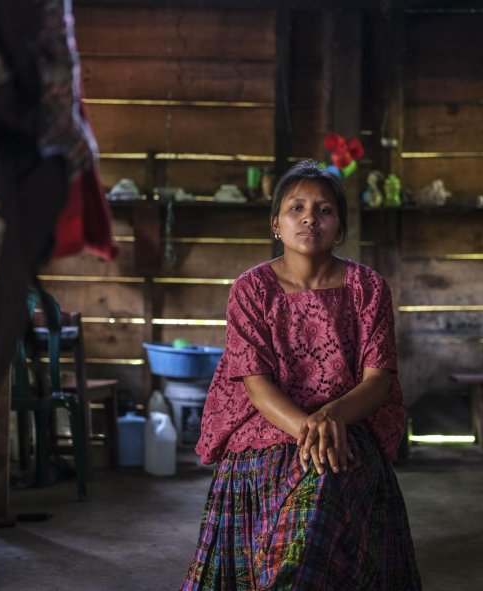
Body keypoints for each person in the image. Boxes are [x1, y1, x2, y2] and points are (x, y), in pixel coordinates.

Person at [180, 160, 421, 590]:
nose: (311, 217)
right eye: (297, 208)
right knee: (311, 474)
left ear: (340, 227)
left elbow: (378, 379)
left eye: (325, 210)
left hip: (349, 421)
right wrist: (311, 430)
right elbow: (255, 383)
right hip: (268, 424)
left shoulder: (367, 287)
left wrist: (332, 418)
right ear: (276, 223)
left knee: (329, 480)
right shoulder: (250, 289)